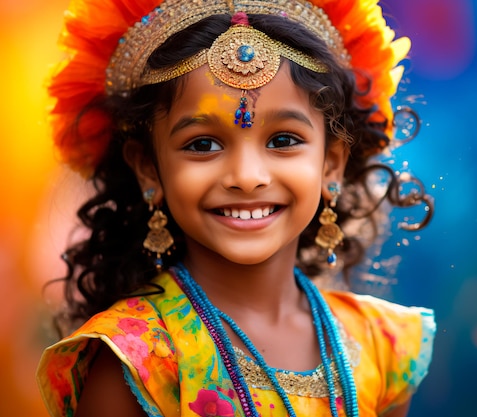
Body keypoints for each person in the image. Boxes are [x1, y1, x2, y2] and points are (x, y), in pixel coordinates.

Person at [36, 0, 436, 416]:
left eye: (283, 140)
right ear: (149, 169)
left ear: (331, 162)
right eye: (203, 145)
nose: (246, 176)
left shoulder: (380, 345)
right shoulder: (135, 363)